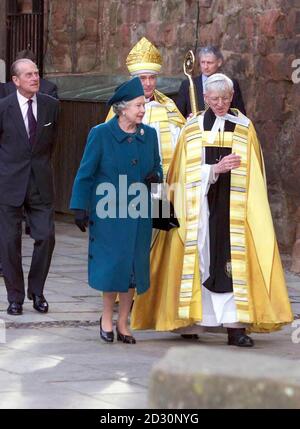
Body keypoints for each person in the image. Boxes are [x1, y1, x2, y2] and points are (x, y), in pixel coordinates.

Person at [131, 73, 293, 347]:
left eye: (225, 98)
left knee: (232, 264)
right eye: (214, 99)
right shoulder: (192, 128)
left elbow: (255, 172)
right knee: (199, 260)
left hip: (234, 209)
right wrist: (213, 170)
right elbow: (182, 173)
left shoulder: (244, 127)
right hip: (199, 206)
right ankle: (193, 320)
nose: (220, 104)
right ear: (205, 98)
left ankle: (235, 327)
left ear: (232, 97)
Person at [70, 77, 163, 344]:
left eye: (143, 105)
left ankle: (124, 322)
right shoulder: (100, 134)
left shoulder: (150, 135)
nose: (142, 110)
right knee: (113, 268)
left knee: (134, 268)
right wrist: (79, 206)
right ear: (122, 109)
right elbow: (85, 172)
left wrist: (158, 191)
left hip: (139, 211)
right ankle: (106, 317)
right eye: (137, 105)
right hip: (109, 211)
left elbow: (158, 168)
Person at [0, 59, 59, 315]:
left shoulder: (51, 106)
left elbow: (52, 143)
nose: (35, 78)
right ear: (15, 80)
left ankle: (37, 291)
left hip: (40, 183)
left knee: (46, 236)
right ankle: (15, 297)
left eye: (36, 74)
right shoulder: (3, 108)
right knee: (9, 242)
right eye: (28, 75)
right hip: (9, 183)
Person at [107, 37, 185, 178]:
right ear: (133, 79)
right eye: (143, 78)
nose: (148, 83)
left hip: (159, 180)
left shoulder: (168, 106)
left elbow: (180, 144)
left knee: (159, 201)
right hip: (128, 178)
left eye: (152, 77)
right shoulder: (121, 107)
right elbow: (109, 144)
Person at [176, 45, 246, 118]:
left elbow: (240, 114)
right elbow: (179, 115)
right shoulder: (188, 84)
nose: (205, 67)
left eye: (209, 63)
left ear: (219, 62)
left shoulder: (231, 83)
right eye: (203, 62)